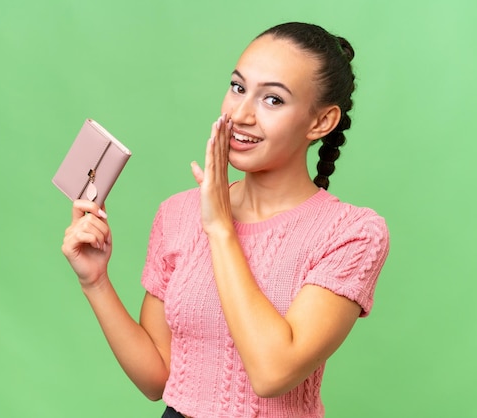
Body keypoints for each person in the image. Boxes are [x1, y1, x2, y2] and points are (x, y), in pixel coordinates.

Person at [62, 22, 390, 418]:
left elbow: (272, 373)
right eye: (238, 87)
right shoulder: (177, 213)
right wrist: (95, 282)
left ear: (321, 122)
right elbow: (158, 379)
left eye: (273, 100)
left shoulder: (352, 233)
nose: (240, 114)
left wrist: (220, 228)